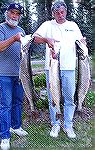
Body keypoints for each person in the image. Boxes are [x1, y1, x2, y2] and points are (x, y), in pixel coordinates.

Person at [33, 0, 86, 139]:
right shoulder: (47, 25)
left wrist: (83, 43)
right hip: (51, 69)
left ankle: (68, 125)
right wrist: (47, 40)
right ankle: (55, 123)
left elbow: (80, 41)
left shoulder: (73, 25)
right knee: (53, 98)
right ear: (53, 13)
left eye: (62, 12)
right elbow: (35, 38)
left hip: (69, 67)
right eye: (57, 13)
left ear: (66, 12)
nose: (60, 15)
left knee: (69, 98)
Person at [0, 3, 28, 150]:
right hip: (4, 74)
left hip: (19, 74)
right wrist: (14, 39)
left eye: (17, 14)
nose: (14, 16)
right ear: (7, 13)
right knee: (6, 105)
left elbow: (25, 49)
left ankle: (16, 126)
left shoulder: (21, 31)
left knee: (18, 102)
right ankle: (5, 136)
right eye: (12, 12)